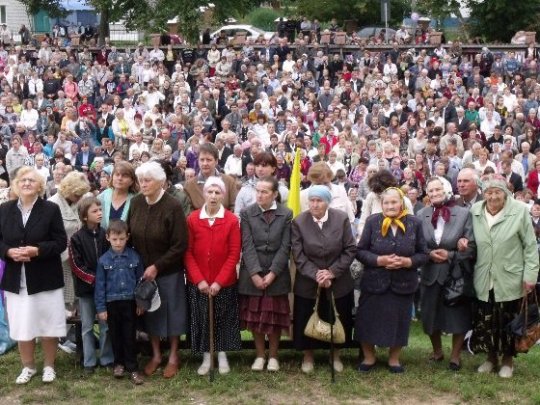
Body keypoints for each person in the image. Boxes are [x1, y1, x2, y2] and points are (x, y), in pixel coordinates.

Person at [0, 167, 67, 384]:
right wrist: (8, 252)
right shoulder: (4, 209)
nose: (26, 183)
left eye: (31, 180)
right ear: (16, 184)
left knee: (48, 324)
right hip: (15, 278)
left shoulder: (50, 209)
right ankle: (28, 367)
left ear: (40, 186)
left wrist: (37, 250)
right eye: (22, 180)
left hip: (45, 277)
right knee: (22, 324)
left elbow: (60, 242)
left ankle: (49, 366)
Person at [470, 175, 539, 378]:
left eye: (497, 192)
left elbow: (530, 246)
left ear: (506, 193)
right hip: (484, 276)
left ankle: (507, 361)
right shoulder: (476, 211)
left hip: (510, 277)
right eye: (489, 192)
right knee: (487, 321)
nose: (493, 197)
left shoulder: (519, 211)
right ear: (484, 194)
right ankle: (491, 358)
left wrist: (531, 276)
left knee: (508, 321)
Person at [356, 187, 428, 373]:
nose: (390, 205)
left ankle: (394, 359)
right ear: (381, 205)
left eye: (394, 202)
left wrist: (407, 262)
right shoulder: (373, 222)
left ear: (402, 203)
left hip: (403, 282)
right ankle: (369, 357)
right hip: (374, 281)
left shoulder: (415, 223)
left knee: (399, 321)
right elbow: (360, 251)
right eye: (386, 202)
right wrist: (378, 260)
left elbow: (424, 254)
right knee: (368, 319)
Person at [128, 161, 188, 379]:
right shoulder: (135, 203)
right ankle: (155, 355)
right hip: (143, 272)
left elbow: (180, 244)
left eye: (147, 180)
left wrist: (157, 266)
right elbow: (129, 233)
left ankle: (173, 356)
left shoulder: (172, 205)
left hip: (168, 270)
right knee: (150, 312)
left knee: (172, 314)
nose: (143, 184)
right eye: (140, 180)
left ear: (161, 182)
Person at [292, 185, 356, 374]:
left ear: (327, 202)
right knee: (306, 316)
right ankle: (308, 355)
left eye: (319, 201)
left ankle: (335, 355)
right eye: (312, 200)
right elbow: (298, 254)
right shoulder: (299, 222)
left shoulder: (341, 219)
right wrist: (317, 274)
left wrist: (332, 272)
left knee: (338, 316)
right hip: (308, 281)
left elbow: (350, 249)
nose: (315, 204)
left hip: (338, 280)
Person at [184, 176, 242, 375]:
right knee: (202, 318)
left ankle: (222, 353)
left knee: (223, 318)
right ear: (204, 194)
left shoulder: (232, 220)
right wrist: (199, 280)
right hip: (198, 281)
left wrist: (219, 281)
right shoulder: (192, 219)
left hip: (223, 281)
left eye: (218, 192)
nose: (213, 196)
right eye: (210, 192)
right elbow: (188, 252)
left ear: (223, 196)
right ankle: (207, 356)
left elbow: (234, 253)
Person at [417, 177, 474, 371]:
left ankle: (456, 356)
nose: (433, 194)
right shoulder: (421, 214)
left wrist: (450, 254)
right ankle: (437, 351)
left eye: (437, 190)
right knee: (429, 314)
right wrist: (428, 253)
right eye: (430, 191)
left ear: (447, 190)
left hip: (455, 274)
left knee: (458, 315)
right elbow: (416, 246)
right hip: (430, 272)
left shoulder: (464, 214)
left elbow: (472, 248)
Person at [239, 176, 292, 372]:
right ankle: (260, 355)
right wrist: (254, 273)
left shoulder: (286, 213)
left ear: (275, 194)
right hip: (252, 273)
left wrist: (272, 274)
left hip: (276, 275)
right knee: (255, 317)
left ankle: (274, 356)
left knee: (274, 317)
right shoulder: (247, 213)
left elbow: (286, 246)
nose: (260, 195)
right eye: (258, 191)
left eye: (264, 192)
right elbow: (247, 244)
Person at [94, 220, 145, 385]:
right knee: (115, 334)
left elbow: (141, 282)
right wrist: (101, 308)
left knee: (129, 334)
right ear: (108, 237)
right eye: (115, 239)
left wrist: (140, 303)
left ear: (127, 237)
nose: (118, 242)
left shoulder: (134, 257)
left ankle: (133, 367)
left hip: (129, 302)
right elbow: (100, 286)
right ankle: (119, 363)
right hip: (112, 303)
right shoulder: (103, 261)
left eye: (122, 239)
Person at [68, 196, 113, 373]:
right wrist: (94, 279)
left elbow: (110, 259)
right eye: (95, 211)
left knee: (105, 325)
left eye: (100, 209)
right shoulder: (76, 239)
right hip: (86, 290)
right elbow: (76, 266)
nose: (99, 213)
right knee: (87, 327)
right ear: (85, 216)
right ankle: (89, 361)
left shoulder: (105, 235)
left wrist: (104, 281)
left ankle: (107, 358)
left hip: (105, 290)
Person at [49, 171, 91, 318]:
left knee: (76, 296)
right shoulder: (53, 204)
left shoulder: (78, 201)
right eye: (77, 194)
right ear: (68, 189)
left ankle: (74, 333)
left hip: (77, 258)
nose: (80, 198)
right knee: (62, 295)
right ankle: (62, 334)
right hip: (60, 259)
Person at [97, 161, 138, 229]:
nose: (120, 178)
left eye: (125, 175)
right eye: (117, 174)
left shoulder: (136, 200)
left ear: (132, 181)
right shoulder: (101, 197)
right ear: (112, 177)